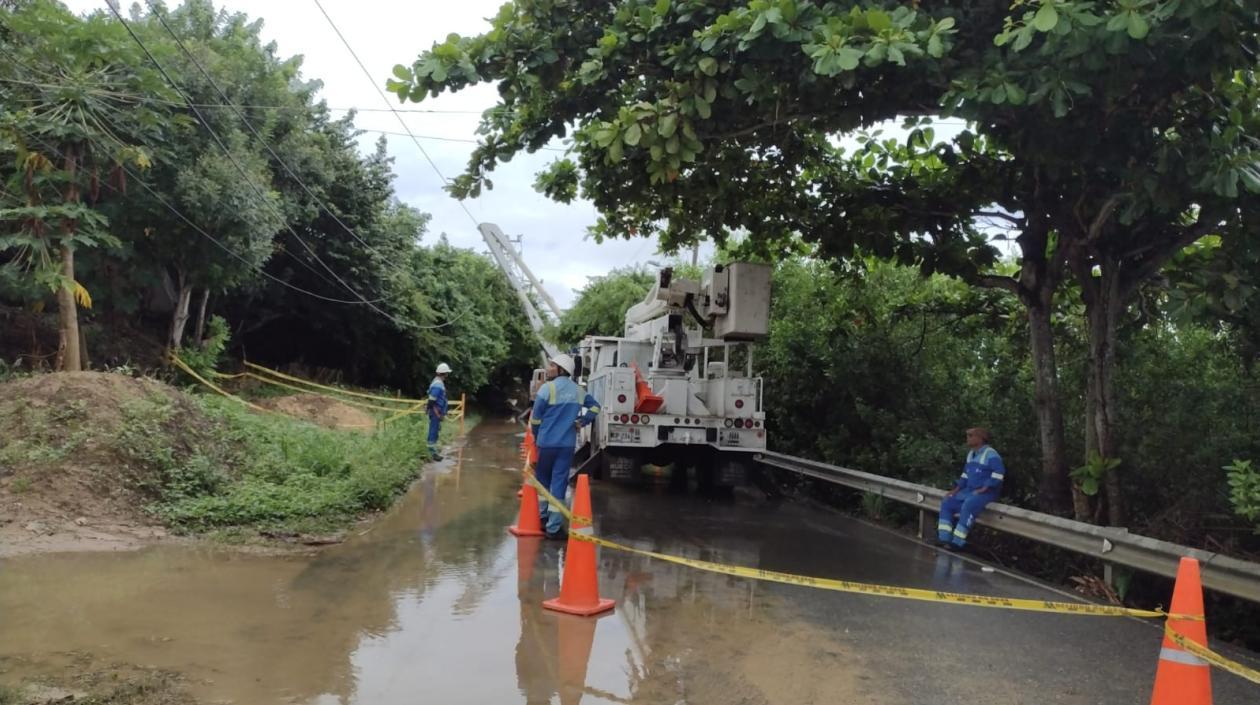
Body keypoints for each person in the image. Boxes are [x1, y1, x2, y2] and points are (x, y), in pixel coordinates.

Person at [530, 353, 599, 540]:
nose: (549, 368)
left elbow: (535, 419)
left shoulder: (547, 389)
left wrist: (537, 435)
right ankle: (553, 528)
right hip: (566, 445)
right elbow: (595, 407)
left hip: (546, 443)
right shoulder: (578, 391)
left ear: (561, 370)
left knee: (543, 480)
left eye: (553, 366)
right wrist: (582, 422)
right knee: (559, 483)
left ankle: (543, 518)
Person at [937, 427, 1006, 551]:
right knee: (947, 501)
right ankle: (944, 539)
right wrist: (956, 490)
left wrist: (985, 487)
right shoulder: (971, 454)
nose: (967, 438)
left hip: (986, 493)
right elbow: (965, 475)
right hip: (969, 491)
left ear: (980, 438)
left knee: (969, 505)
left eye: (970, 435)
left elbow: (999, 473)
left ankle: (957, 542)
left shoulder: (990, 454)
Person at [426, 363, 452, 460]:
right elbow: (432, 400)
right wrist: (436, 412)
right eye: (447, 373)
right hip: (435, 412)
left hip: (437, 412)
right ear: (445, 373)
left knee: (435, 431)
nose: (447, 375)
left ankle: (434, 451)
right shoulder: (438, 384)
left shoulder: (438, 382)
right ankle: (432, 453)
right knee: (433, 431)